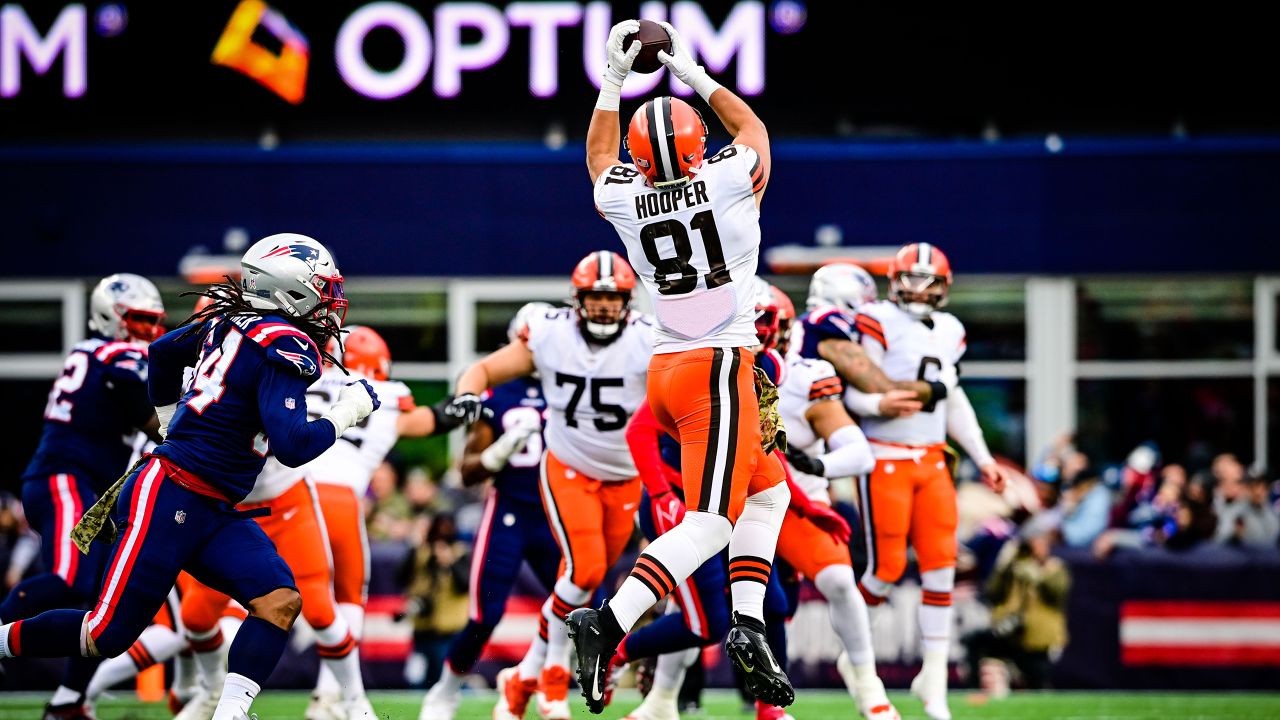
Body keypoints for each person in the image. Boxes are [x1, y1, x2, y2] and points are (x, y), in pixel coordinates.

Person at [0, 234, 380, 720]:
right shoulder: (285, 343)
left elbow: (161, 354)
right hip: (171, 494)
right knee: (105, 635)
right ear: (291, 291)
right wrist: (349, 410)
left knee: (279, 600)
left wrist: (166, 419)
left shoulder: (227, 319)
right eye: (323, 288)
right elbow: (294, 446)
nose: (331, 301)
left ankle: (230, 713)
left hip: (215, 504)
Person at [571, 19, 794, 713]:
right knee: (711, 523)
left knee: (769, 491)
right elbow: (752, 125)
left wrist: (613, 79)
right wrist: (690, 70)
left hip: (668, 367)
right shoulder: (730, 180)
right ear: (701, 150)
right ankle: (605, 625)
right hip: (719, 365)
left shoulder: (626, 197)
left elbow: (598, 158)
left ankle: (748, 626)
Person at [437, 252, 653, 720]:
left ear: (627, 301)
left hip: (624, 477)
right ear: (577, 299)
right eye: (595, 297)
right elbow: (483, 371)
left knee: (588, 579)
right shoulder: (551, 333)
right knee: (583, 570)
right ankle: (553, 676)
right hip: (569, 468)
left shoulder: (647, 340)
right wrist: (469, 395)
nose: (603, 307)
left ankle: (522, 674)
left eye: (612, 298)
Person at [839, 243, 1008, 720]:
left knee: (941, 565)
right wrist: (878, 406)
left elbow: (952, 400)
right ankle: (855, 655)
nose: (916, 288)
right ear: (894, 281)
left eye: (926, 279)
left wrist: (983, 456)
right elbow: (849, 388)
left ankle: (933, 680)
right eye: (908, 278)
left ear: (943, 286)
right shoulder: (875, 319)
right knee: (887, 566)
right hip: (884, 457)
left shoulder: (951, 331)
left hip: (934, 460)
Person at [0, 273, 165, 719]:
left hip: (88, 489)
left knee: (102, 608)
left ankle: (68, 701)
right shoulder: (117, 354)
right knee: (72, 578)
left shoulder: (92, 353)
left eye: (154, 321)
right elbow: (152, 419)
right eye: (139, 319)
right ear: (109, 317)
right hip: (65, 480)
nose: (149, 330)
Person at [419, 303, 562, 720]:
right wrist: (498, 452)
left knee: (580, 603)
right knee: (485, 614)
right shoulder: (495, 394)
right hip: (510, 513)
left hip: (560, 515)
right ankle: (444, 691)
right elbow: (466, 471)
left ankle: (537, 679)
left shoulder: (572, 389)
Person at [303, 324, 448, 720]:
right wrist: (463, 407)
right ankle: (333, 695)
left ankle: (216, 691)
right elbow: (426, 421)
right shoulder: (388, 393)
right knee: (347, 597)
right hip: (340, 500)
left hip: (288, 495)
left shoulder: (301, 380)